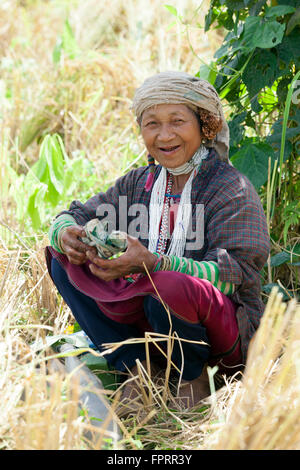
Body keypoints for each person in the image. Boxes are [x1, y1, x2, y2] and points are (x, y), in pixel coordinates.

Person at [46, 71, 270, 414]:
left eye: (177, 121)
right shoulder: (139, 183)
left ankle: (191, 379)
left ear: (205, 127)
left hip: (220, 335)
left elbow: (234, 274)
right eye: (152, 124)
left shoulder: (230, 190)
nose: (164, 135)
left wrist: (155, 264)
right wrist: (66, 234)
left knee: (164, 283)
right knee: (62, 258)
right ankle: (136, 367)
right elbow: (74, 214)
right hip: (151, 323)